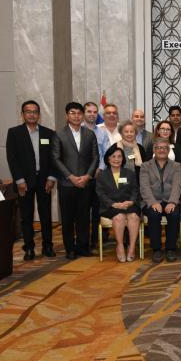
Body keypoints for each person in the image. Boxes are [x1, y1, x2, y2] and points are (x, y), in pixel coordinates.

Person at [6, 100, 56, 260]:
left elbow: (54, 158)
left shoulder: (49, 133)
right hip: (24, 182)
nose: (32, 114)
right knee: (26, 216)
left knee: (46, 215)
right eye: (28, 111)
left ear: (39, 115)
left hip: (44, 180)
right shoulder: (14, 133)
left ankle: (48, 245)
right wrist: (19, 180)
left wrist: (51, 177)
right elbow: (12, 159)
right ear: (22, 114)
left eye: (35, 111)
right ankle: (29, 247)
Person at [52, 102, 99, 260]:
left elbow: (95, 157)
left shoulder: (89, 134)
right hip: (67, 183)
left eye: (79, 113)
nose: (76, 116)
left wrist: (87, 176)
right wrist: (70, 177)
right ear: (67, 115)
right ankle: (70, 249)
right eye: (73, 113)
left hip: (86, 183)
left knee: (84, 217)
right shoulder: (59, 134)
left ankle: (83, 247)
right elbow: (56, 158)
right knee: (67, 218)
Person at [139, 138, 181, 263]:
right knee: (154, 214)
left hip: (170, 200)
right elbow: (144, 186)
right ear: (154, 150)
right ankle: (156, 249)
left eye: (165, 148)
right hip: (152, 200)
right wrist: (153, 202)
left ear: (168, 150)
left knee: (174, 214)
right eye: (159, 147)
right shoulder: (145, 166)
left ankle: (170, 248)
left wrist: (173, 202)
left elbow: (177, 185)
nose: (162, 150)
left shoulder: (176, 166)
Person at [96, 146, 141, 262]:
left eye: (119, 156)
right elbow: (100, 194)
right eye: (113, 156)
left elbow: (135, 190)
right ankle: (120, 246)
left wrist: (131, 201)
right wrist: (113, 204)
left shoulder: (129, 173)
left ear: (123, 159)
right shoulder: (102, 175)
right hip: (110, 207)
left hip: (128, 204)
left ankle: (131, 247)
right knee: (119, 217)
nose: (116, 159)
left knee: (134, 217)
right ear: (108, 159)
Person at [82, 101, 108, 251]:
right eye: (89, 112)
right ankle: (83, 241)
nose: (92, 114)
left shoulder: (101, 132)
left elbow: (105, 153)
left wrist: (100, 168)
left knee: (97, 210)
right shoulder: (79, 130)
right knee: (83, 211)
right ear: (84, 113)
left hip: (98, 176)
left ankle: (94, 241)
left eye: (94, 112)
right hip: (82, 177)